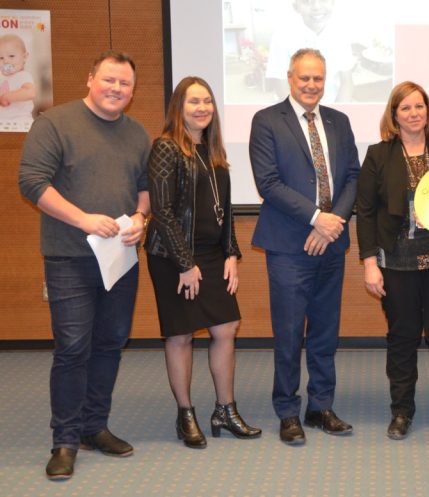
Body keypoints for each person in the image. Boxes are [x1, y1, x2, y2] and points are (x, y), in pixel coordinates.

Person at [18, 50, 151, 480]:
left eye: (125, 83)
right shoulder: (54, 123)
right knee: (73, 347)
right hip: (69, 257)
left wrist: (141, 219)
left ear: (132, 91)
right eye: (109, 79)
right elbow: (32, 183)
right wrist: (83, 219)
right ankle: (65, 439)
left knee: (111, 343)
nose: (116, 88)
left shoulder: (137, 133)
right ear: (90, 79)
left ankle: (95, 427)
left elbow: (145, 188)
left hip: (120, 259)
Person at [249, 48, 359, 445]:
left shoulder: (338, 121)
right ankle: (287, 411)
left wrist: (332, 223)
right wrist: (316, 218)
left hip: (331, 242)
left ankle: (320, 406)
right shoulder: (266, 120)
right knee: (290, 333)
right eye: (304, 78)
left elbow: (352, 177)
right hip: (288, 245)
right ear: (290, 78)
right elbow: (268, 183)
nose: (312, 85)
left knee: (326, 332)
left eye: (318, 78)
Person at [144, 76, 261, 449]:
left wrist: (231, 254)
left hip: (212, 255)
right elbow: (162, 211)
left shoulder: (213, 152)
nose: (202, 108)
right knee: (180, 334)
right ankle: (186, 414)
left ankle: (225, 410)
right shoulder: (166, 148)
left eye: (207, 101)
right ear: (179, 107)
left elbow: (224, 211)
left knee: (226, 327)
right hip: (173, 257)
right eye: (194, 101)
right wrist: (184, 263)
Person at [356, 81, 429, 441]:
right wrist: (369, 263)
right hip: (397, 261)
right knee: (402, 337)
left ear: (428, 110)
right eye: (405, 108)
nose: (414, 113)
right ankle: (401, 411)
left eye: (419, 106)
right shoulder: (378, 154)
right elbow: (366, 212)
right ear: (394, 114)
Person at [264, 0, 355, 102]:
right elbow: (281, 85)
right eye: (307, 1)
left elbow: (346, 82)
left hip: (331, 103)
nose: (316, 7)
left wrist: (337, 110)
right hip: (293, 106)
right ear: (296, 7)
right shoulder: (281, 37)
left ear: (333, 3)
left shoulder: (341, 35)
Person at [0, 33, 36, 125]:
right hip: (5, 122)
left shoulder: (23, 75)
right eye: (1, 58)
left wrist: (6, 97)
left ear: (24, 57)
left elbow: (30, 92)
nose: (6, 61)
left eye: (11, 56)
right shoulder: (3, 78)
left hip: (20, 121)